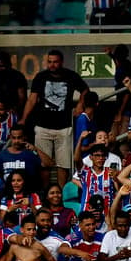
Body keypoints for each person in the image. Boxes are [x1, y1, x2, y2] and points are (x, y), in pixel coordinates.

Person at [22, 49, 89, 188]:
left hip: (64, 127)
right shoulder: (40, 77)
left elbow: (85, 89)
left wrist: (80, 104)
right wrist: (23, 119)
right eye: (50, 62)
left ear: (61, 62)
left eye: (55, 62)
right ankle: (47, 193)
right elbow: (32, 99)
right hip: (42, 126)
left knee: (63, 164)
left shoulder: (70, 76)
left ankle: (62, 194)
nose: (52, 65)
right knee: (43, 164)